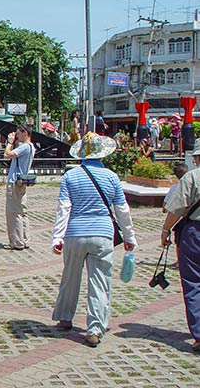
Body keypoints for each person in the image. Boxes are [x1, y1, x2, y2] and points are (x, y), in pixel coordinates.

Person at [51, 132, 137, 348]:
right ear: (103, 154)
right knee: (100, 282)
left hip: (75, 233)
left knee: (70, 277)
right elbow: (122, 210)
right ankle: (95, 328)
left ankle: (64, 317)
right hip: (103, 234)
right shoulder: (112, 177)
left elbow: (64, 209)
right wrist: (129, 236)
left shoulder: (70, 177)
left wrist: (57, 238)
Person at [160, 140, 200, 352]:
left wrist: (166, 231)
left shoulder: (192, 177)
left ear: (196, 158)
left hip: (195, 232)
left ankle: (199, 333)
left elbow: (176, 208)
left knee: (193, 282)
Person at [3, 124, 35, 250]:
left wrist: (10, 142)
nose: (17, 136)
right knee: (22, 212)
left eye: (18, 133)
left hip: (15, 182)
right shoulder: (31, 147)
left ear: (25, 133)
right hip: (22, 181)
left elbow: (7, 154)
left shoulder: (25, 147)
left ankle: (16, 242)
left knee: (13, 212)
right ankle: (25, 239)